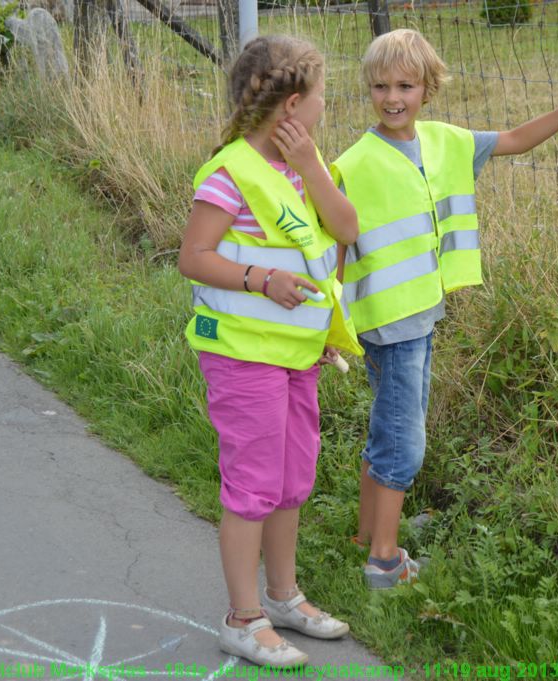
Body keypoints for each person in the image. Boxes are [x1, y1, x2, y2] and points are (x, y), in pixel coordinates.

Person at [330, 28, 558, 589]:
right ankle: (384, 562)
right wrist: (328, 325)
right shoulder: (354, 163)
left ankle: (368, 534)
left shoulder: (444, 143)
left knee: (388, 427)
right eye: (380, 86)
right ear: (368, 88)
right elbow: (335, 253)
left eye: (405, 85)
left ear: (427, 88)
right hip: (388, 323)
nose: (392, 97)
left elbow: (515, 139)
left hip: (422, 314)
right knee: (403, 442)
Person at [177, 35, 363, 666]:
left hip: (297, 355)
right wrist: (262, 280)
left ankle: (283, 599)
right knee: (253, 486)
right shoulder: (230, 174)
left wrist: (312, 167)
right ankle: (243, 617)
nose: (323, 109)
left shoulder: (304, 167)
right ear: (290, 105)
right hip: (242, 356)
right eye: (318, 98)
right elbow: (192, 258)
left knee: (290, 482)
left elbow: (347, 229)